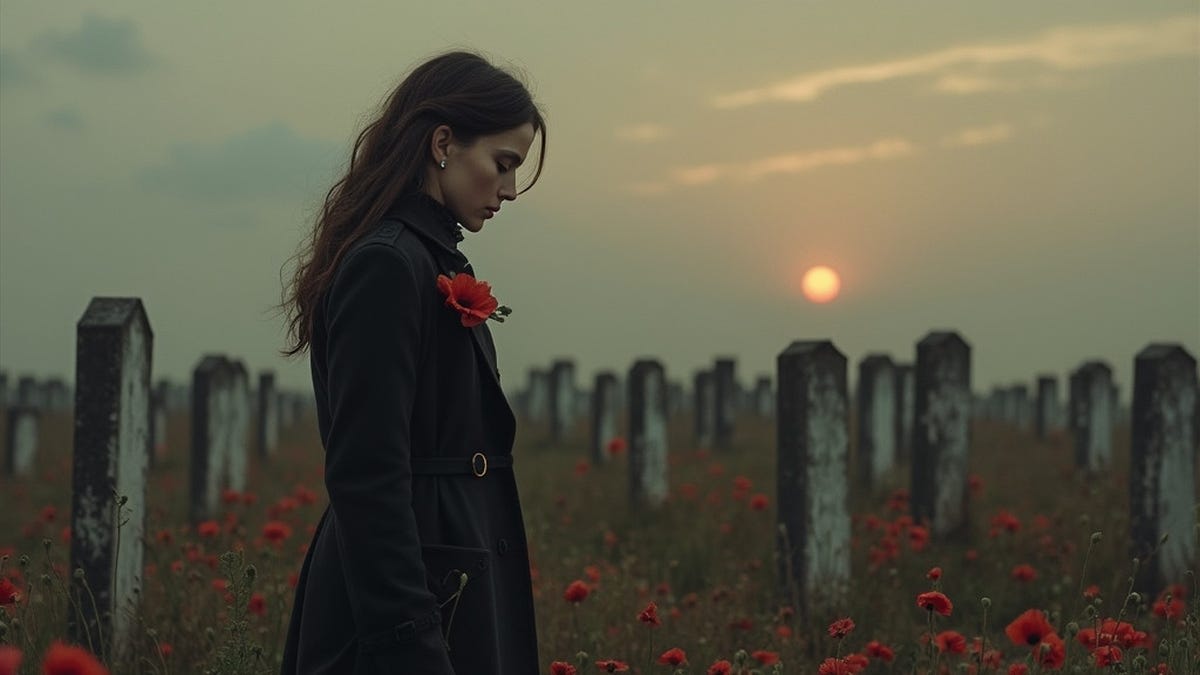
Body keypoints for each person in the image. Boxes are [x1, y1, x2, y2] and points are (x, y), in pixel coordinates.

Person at [277, 50, 547, 674]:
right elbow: (366, 472)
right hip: (406, 594)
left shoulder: (433, 259)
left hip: (452, 561)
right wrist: (411, 638)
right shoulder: (389, 265)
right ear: (444, 142)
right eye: (503, 164)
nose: (509, 189)